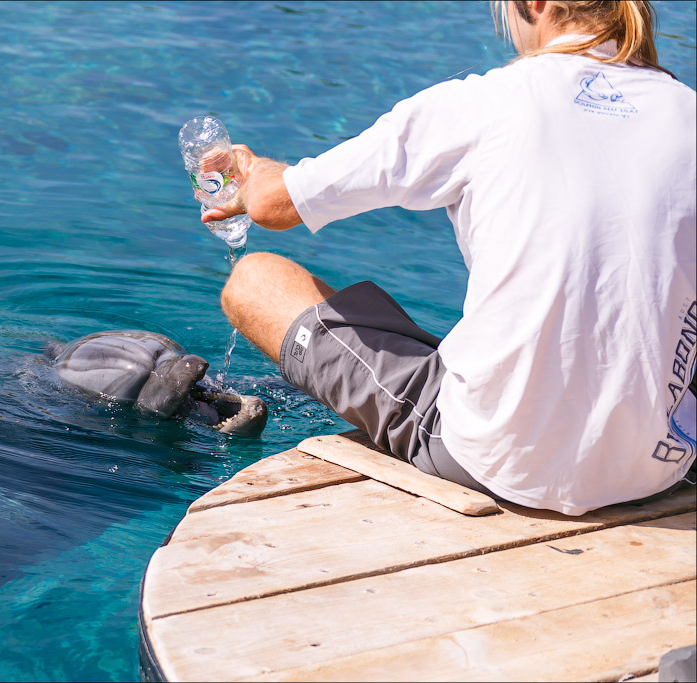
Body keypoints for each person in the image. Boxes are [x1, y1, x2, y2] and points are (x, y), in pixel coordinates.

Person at [202, 0, 696, 515]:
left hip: (499, 461)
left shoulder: (486, 102)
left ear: (536, 5)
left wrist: (249, 167)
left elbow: (273, 204)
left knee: (256, 280)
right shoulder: (687, 111)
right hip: (657, 465)